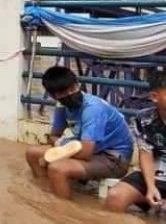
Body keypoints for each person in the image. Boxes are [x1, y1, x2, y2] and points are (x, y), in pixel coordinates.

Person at [25, 66, 133, 199]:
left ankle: (61, 211)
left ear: (77, 85)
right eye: (64, 92)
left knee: (57, 168)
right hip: (84, 148)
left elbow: (86, 153)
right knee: (32, 153)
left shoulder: (92, 109)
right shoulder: (62, 106)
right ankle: (46, 192)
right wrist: (60, 145)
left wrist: (58, 151)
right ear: (55, 96)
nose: (70, 94)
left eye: (73, 88)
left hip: (113, 158)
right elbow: (54, 136)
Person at [105, 71, 166, 213]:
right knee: (115, 196)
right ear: (154, 97)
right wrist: (151, 187)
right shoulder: (144, 118)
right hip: (155, 174)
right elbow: (145, 153)